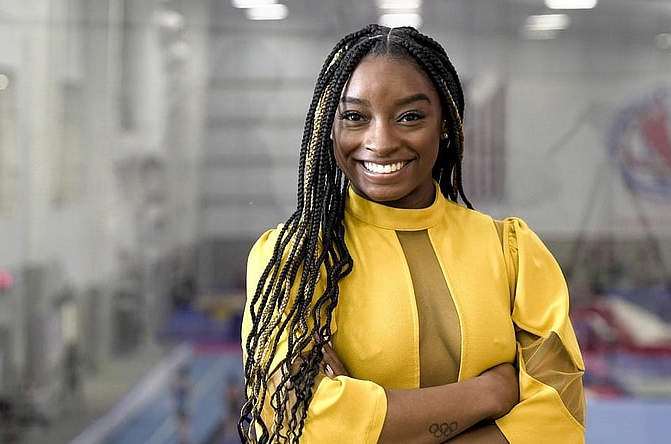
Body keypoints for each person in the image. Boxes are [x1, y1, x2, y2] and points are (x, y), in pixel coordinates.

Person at [239, 24, 585, 443]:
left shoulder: (511, 253)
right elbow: (300, 425)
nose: (380, 141)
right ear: (328, 126)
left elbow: (558, 423)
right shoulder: (296, 258)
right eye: (354, 117)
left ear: (444, 123)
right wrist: (488, 393)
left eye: (410, 116)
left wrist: (373, 424)